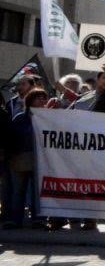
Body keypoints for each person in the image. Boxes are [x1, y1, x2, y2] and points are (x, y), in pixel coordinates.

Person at [3, 88, 47, 229]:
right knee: (18, 191)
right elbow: (13, 137)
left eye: (43, 98)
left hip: (41, 161)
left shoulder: (49, 118)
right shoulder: (20, 118)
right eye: (38, 98)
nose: (42, 101)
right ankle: (15, 220)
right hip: (20, 158)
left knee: (38, 193)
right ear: (30, 101)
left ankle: (38, 219)